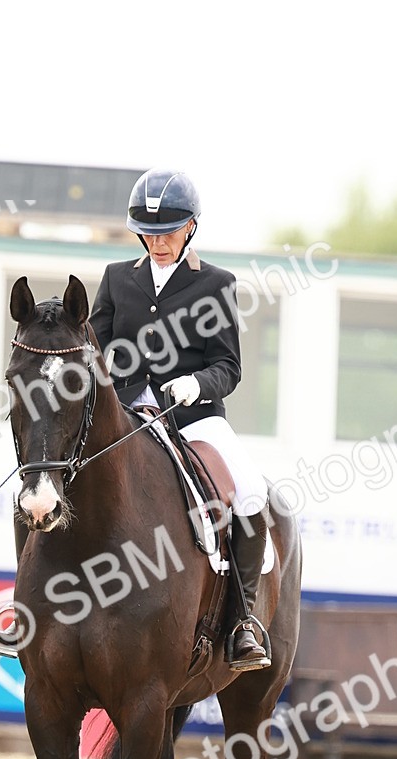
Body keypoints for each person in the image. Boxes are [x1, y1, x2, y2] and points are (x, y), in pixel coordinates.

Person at [88, 168, 270, 670]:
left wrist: (196, 385)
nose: (158, 243)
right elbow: (95, 351)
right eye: (148, 234)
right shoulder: (116, 279)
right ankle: (34, 606)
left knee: (252, 493)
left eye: (168, 233)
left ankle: (242, 621)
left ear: (191, 228)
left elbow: (228, 367)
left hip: (193, 418)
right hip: (125, 416)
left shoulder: (215, 284)